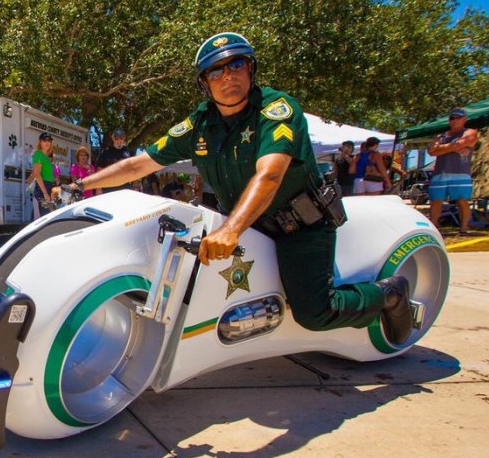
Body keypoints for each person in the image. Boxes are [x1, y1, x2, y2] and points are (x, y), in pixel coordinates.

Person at [72, 31, 413, 345]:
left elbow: (270, 175)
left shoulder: (275, 110)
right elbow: (138, 165)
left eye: (236, 65)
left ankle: (389, 295)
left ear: (250, 68)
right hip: (250, 227)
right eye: (215, 71)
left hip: (299, 226)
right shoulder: (200, 124)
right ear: (205, 83)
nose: (227, 76)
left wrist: (230, 230)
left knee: (314, 312)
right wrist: (80, 184)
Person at [426, 107, 478, 235]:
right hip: (440, 172)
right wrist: (453, 147)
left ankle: (463, 229)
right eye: (452, 118)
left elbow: (460, 143)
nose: (454, 120)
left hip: (460, 172)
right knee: (435, 200)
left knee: (462, 200)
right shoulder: (441, 135)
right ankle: (433, 229)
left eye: (458, 118)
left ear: (464, 119)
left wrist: (440, 148)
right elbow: (431, 151)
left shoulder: (470, 132)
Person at [28, 132, 59, 216]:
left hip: (50, 186)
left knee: (51, 215)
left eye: (49, 140)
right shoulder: (38, 154)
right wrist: (45, 193)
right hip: (43, 187)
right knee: (46, 216)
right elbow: (37, 174)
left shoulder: (47, 156)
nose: (47, 142)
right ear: (40, 142)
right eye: (45, 140)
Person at [96, 127, 133, 194]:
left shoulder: (128, 151)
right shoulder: (105, 151)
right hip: (108, 187)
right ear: (113, 138)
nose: (119, 141)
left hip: (125, 187)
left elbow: (133, 168)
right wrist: (98, 187)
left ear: (124, 138)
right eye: (116, 138)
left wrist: (136, 184)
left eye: (121, 138)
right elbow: (99, 169)